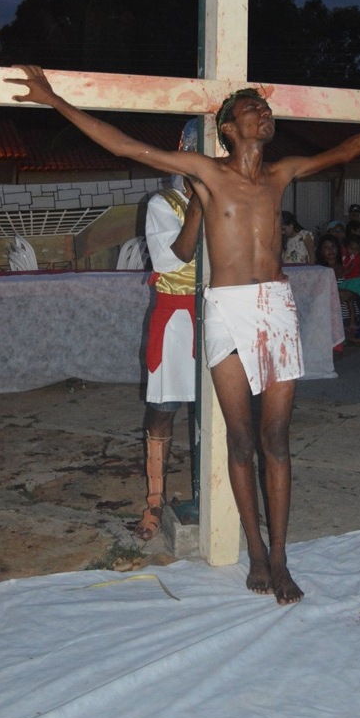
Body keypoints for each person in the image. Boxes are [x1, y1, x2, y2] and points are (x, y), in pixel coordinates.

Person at [6, 66, 360, 605]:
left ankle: (280, 558)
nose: (264, 114)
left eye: (265, 109)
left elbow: (343, 153)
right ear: (229, 127)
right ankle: (254, 550)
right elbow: (128, 146)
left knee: (277, 438)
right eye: (253, 109)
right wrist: (53, 99)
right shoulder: (205, 172)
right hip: (226, 309)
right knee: (242, 437)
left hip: (274, 307)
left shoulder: (282, 173)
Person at [135, 122, 203, 542]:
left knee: (217, 411)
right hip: (176, 321)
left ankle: (215, 493)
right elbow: (171, 260)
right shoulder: (163, 203)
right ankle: (156, 499)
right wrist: (200, 201)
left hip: (216, 315)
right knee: (165, 407)